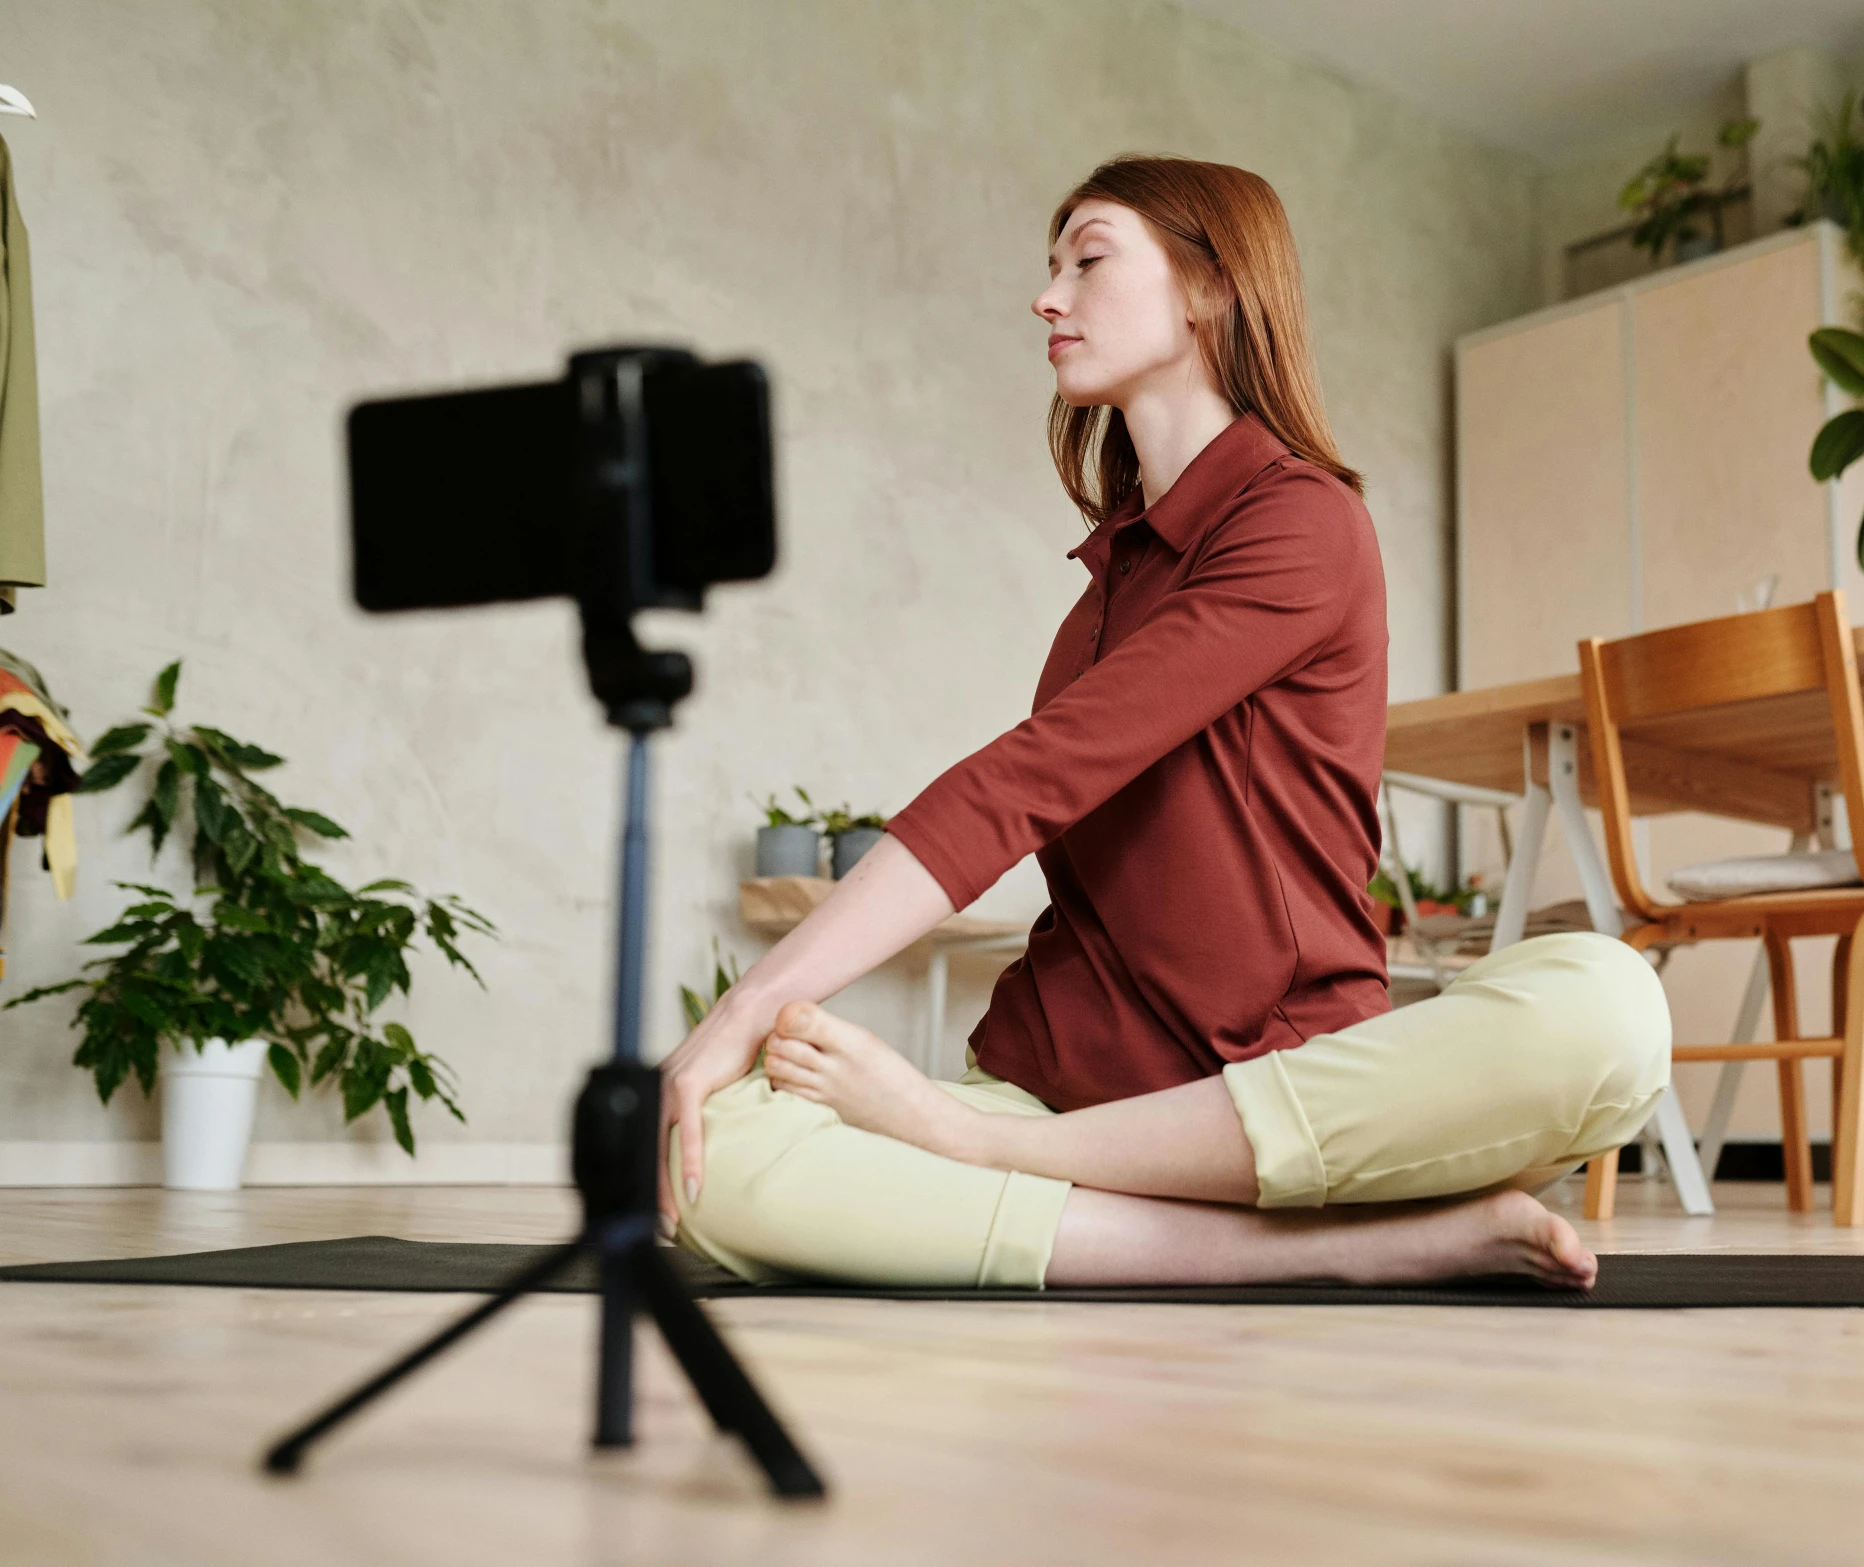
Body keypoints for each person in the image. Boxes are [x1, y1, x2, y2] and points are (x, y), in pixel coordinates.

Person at [656, 155, 1670, 1291]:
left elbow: (1028, 778)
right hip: (1066, 1081)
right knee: (715, 1157)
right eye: (1051, 270)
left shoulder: (1303, 521)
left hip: (1280, 1090)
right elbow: (1034, 794)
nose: (1048, 298)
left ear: (1208, 286)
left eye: (1088, 259)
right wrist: (750, 1040)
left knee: (1610, 1007)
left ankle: (1005, 1159)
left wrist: (765, 1012)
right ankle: (1347, 1247)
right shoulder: (1106, 582)